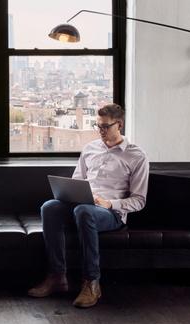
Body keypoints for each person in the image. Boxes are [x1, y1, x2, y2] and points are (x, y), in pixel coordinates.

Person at [28, 103, 149, 308]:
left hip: (112, 213)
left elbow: (139, 200)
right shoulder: (90, 148)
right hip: (82, 204)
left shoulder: (136, 156)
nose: (100, 131)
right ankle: (58, 276)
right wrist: (71, 193)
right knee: (49, 207)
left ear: (119, 124)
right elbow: (77, 180)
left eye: (105, 126)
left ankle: (92, 282)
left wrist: (109, 203)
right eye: (98, 126)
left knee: (84, 211)